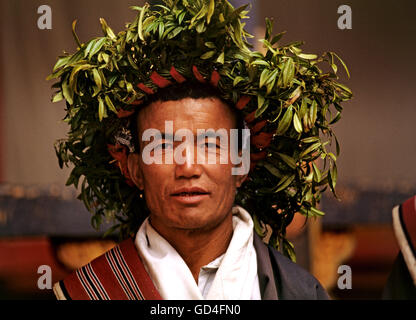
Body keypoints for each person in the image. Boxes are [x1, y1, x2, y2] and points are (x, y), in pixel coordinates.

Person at [49, 0, 351, 300]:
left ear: (241, 163)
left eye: (210, 145)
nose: (189, 168)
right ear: (134, 169)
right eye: (164, 145)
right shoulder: (89, 293)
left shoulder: (299, 293)